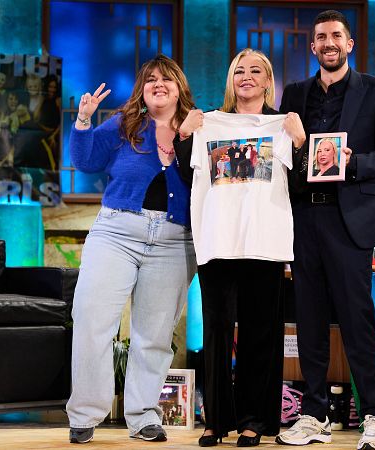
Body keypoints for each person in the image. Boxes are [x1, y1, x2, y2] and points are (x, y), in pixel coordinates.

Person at [276, 10, 375, 450]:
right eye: (320, 37)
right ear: (312, 47)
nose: (328, 43)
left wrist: (352, 162)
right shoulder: (294, 93)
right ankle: (314, 414)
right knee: (308, 320)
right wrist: (293, 144)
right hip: (303, 218)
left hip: (351, 220)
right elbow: (282, 159)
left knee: (356, 321)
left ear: (349, 44)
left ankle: (373, 415)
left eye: (336, 36)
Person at [174, 48, 306, 448]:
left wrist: (299, 142)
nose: (246, 76)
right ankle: (216, 420)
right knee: (214, 332)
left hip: (263, 245)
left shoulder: (281, 125)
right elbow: (185, 171)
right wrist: (184, 133)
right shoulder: (206, 124)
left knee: (259, 336)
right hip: (217, 242)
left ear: (268, 80)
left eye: (255, 71)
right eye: (239, 71)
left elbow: (300, 183)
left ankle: (256, 420)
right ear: (231, 80)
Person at [66, 54, 197, 445]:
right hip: (117, 232)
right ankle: (86, 413)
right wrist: (84, 119)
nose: (159, 84)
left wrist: (191, 134)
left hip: (175, 239)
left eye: (167, 79)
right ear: (142, 89)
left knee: (153, 334)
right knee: (91, 318)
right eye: (151, 79)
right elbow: (86, 161)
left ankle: (143, 417)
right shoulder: (126, 124)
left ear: (180, 88)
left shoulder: (198, 127)